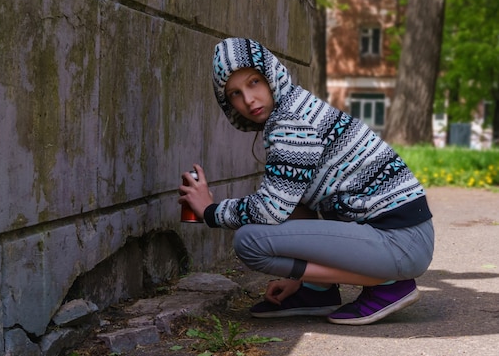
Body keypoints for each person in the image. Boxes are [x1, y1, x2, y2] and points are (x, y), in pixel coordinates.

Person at [178, 37, 434, 325]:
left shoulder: (290, 123)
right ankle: (317, 291)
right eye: (235, 93)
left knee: (249, 241)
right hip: (402, 237)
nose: (248, 100)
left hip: (400, 243)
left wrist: (210, 211)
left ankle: (388, 285)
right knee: (293, 198)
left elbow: (270, 210)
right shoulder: (294, 107)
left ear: (270, 75)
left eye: (253, 83)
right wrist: (303, 280)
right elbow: (292, 201)